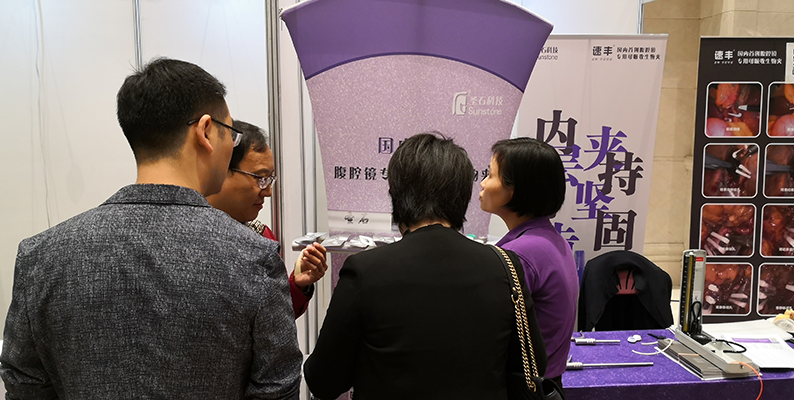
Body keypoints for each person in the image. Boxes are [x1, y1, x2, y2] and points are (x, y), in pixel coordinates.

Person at [0, 58, 304, 399]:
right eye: (230, 134)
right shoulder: (254, 258)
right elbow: (277, 388)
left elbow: (25, 387)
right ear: (205, 131)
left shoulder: (41, 257)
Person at [303, 132, 548, 400]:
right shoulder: (505, 266)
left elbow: (323, 381)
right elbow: (533, 364)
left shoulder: (365, 271)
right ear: (463, 197)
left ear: (396, 194)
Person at [479, 137, 579, 388]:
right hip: (547, 382)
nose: (482, 183)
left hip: (524, 388)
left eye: (490, 175)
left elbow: (490, 333)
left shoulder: (520, 253)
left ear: (513, 189)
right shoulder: (549, 239)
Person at [206, 120, 327, 318]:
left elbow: (274, 318)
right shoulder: (190, 235)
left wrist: (297, 284)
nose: (268, 192)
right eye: (260, 178)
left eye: (270, 179)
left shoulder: (262, 236)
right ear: (221, 169)